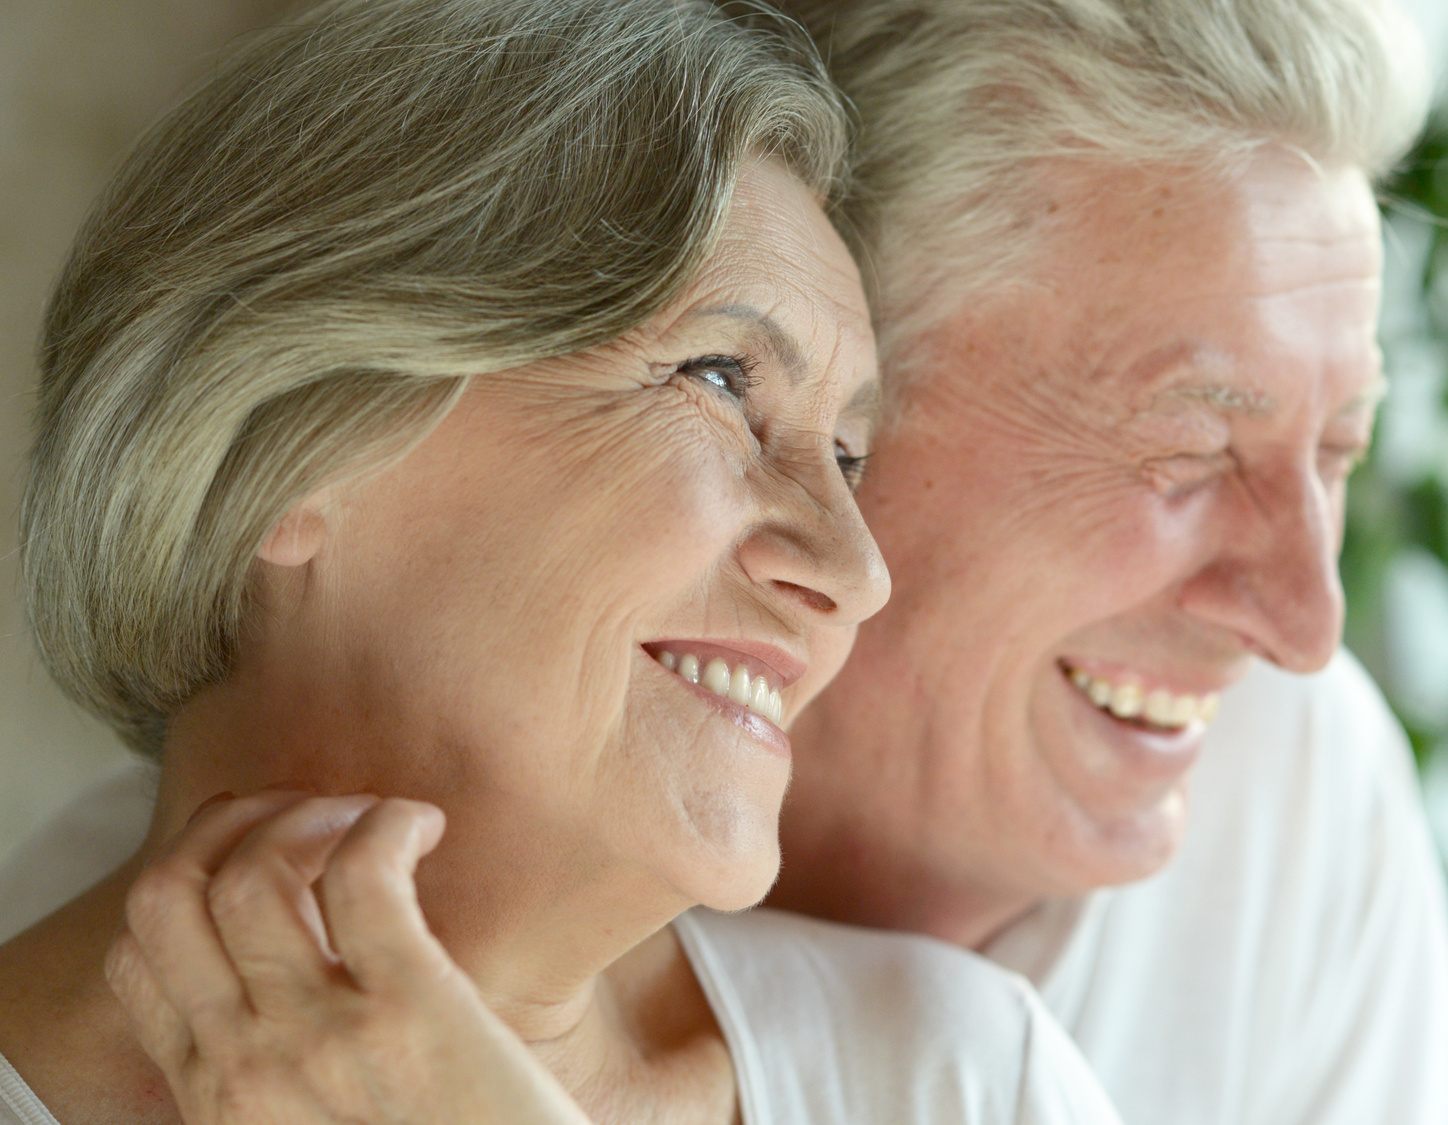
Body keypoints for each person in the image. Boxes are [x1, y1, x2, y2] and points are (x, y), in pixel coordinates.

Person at [0, 2, 1124, 1123]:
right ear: (291, 439)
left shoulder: (962, 1078)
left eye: (846, 455)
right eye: (721, 380)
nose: (855, 570)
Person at [754, 0, 1448, 1121]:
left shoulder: (1296, 788)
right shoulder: (480, 814)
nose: (1303, 625)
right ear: (814, 403)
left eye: (1339, 449)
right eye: (1191, 453)